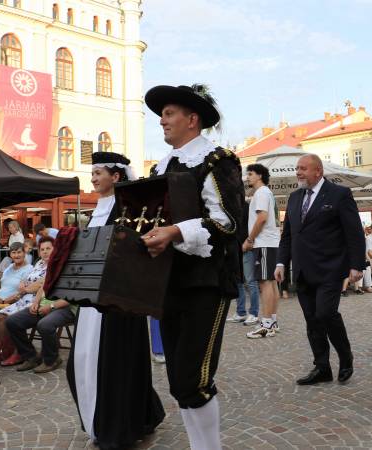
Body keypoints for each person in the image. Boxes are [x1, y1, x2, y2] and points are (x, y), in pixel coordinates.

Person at [143, 83, 243, 449]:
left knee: (193, 379)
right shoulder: (161, 166)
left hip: (207, 280)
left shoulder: (218, 161)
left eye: (169, 114)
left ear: (192, 118)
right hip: (170, 281)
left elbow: (230, 222)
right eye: (162, 115)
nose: (162, 122)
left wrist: (174, 231)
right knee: (176, 380)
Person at [65, 151, 164, 448]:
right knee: (83, 361)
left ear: (116, 176)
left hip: (118, 301)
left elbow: (135, 252)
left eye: (98, 173)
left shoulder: (127, 208)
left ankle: (120, 427)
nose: (93, 178)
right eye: (92, 173)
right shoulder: (97, 209)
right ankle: (135, 414)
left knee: (116, 363)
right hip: (93, 299)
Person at [275, 154, 365, 386]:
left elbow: (353, 232)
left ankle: (345, 357)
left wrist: (356, 265)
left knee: (325, 314)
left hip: (330, 268)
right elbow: (288, 236)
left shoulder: (339, 194)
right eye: (297, 168)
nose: (298, 172)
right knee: (312, 321)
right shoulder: (294, 198)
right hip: (303, 271)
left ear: (318, 171)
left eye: (303, 168)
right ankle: (322, 367)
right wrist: (281, 263)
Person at [0, 237, 54, 366]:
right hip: (26, 298)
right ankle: (8, 350)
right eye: (42, 249)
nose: (45, 252)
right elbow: (29, 278)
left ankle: (21, 353)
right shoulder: (39, 263)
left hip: (39, 301)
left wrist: (25, 289)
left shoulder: (54, 266)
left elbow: (42, 284)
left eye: (48, 249)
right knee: (1, 315)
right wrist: (23, 283)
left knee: (10, 320)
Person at [244, 163, 281, 339]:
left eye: (250, 174)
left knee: (265, 283)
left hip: (264, 242)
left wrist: (250, 239)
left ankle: (266, 324)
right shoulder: (267, 193)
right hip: (271, 242)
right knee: (271, 283)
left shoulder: (261, 193)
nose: (247, 177)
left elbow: (262, 218)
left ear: (259, 176)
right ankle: (272, 321)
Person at [227, 199, 260, 325]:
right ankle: (241, 312)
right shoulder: (231, 207)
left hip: (246, 247)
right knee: (238, 281)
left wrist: (249, 241)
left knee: (251, 281)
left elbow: (252, 226)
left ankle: (254, 313)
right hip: (235, 248)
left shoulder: (247, 206)